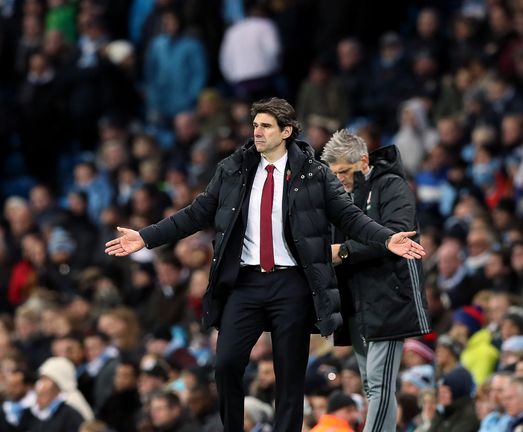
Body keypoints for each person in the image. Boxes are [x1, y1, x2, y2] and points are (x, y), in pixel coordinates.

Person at [105, 97, 425, 432]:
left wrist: (385, 238)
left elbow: (349, 216)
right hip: (245, 282)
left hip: (292, 284)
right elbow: (195, 214)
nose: (257, 131)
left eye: (266, 126)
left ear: (286, 131)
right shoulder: (232, 169)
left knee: (289, 378)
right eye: (255, 124)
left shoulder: (314, 173)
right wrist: (146, 237)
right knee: (226, 364)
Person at [321, 129, 431, 432]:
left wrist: (341, 252)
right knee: (372, 385)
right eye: (334, 173)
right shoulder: (340, 196)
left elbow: (399, 232)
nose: (340, 178)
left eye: (344, 171)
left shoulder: (391, 186)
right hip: (355, 300)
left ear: (364, 160)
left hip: (388, 296)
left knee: (380, 384)